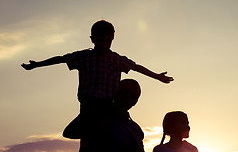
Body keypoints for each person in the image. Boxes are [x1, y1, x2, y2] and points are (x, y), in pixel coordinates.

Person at [21, 20, 173, 138]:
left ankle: (103, 139)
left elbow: (136, 67)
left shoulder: (116, 59)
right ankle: (88, 133)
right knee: (82, 130)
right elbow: (61, 59)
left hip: (108, 104)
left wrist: (157, 76)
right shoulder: (84, 56)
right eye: (100, 40)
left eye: (107, 41)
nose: (103, 44)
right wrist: (37, 65)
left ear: (112, 39)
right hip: (88, 104)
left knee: (105, 128)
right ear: (92, 39)